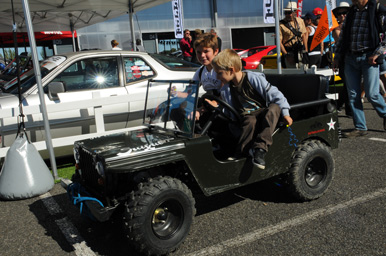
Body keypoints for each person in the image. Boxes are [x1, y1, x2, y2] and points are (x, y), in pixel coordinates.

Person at [211, 49, 293, 169]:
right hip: (246, 118)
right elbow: (229, 111)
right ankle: (242, 153)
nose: (218, 77)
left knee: (274, 107)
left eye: (219, 73)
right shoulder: (226, 89)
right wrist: (217, 107)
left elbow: (276, 95)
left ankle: (260, 149)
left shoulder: (252, 78)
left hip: (263, 113)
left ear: (231, 70)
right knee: (249, 121)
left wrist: (286, 113)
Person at [334, 0, 386, 137]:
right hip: (350, 57)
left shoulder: (378, 9)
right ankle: (360, 127)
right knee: (353, 95)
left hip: (369, 57)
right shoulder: (351, 12)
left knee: (372, 94)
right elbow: (343, 36)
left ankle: (385, 113)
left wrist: (377, 53)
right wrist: (337, 56)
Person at [332, 1, 352, 116]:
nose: (342, 16)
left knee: (350, 85)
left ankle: (338, 104)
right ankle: (348, 109)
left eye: (345, 13)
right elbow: (342, 43)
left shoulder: (353, 24)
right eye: (339, 14)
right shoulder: (337, 29)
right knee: (348, 84)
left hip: (354, 57)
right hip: (344, 59)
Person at [280, 2, 309, 68]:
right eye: (286, 13)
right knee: (292, 73)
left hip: (300, 51)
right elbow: (279, 42)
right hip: (289, 52)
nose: (287, 15)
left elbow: (304, 35)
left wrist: (306, 50)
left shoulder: (300, 21)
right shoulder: (281, 24)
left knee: (304, 71)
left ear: (295, 12)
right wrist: (286, 55)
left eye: (289, 13)